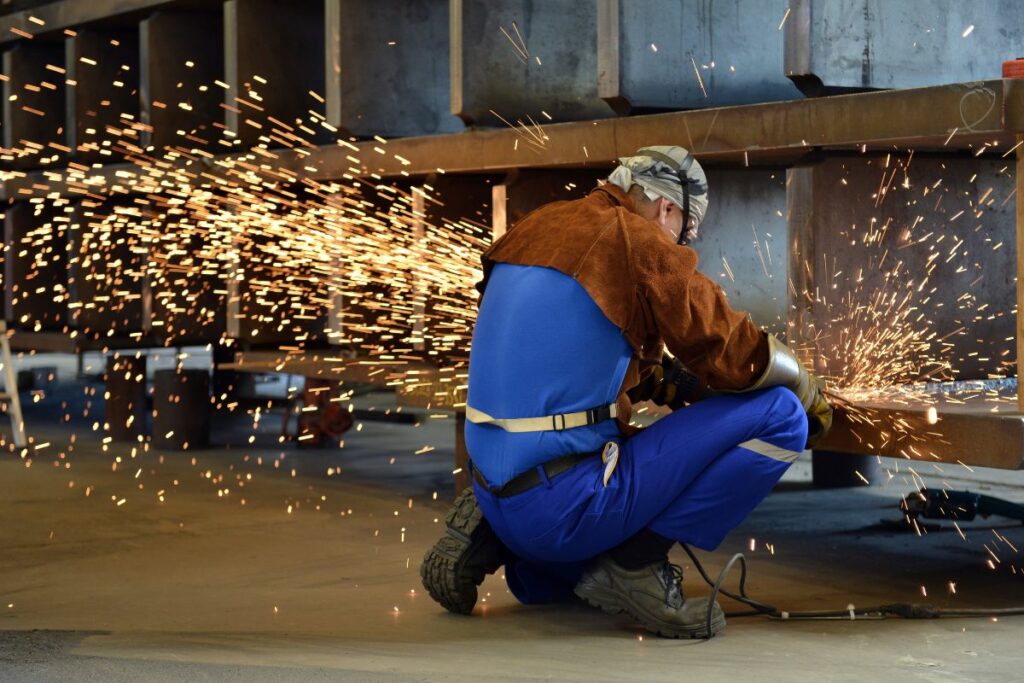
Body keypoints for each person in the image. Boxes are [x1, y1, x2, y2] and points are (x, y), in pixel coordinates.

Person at [420, 146, 833, 638]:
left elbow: (556, 353)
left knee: (561, 582)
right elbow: (726, 343)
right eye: (685, 230)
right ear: (666, 208)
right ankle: (635, 566)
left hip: (494, 489)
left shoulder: (537, 225)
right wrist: (803, 384)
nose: (682, 242)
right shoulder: (635, 238)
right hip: (562, 507)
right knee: (782, 415)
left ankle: (496, 535)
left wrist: (662, 379)